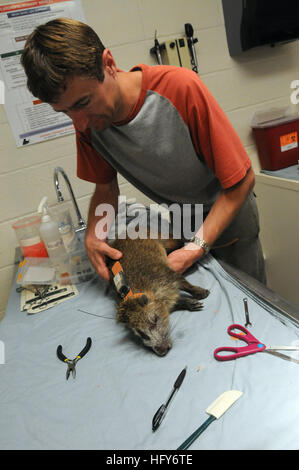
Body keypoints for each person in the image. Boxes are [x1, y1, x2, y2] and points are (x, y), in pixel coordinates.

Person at [21, 18, 266, 284]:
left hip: (231, 222)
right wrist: (96, 234)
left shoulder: (180, 88)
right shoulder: (88, 123)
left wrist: (195, 248)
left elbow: (241, 182)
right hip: (184, 224)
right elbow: (106, 188)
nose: (78, 122)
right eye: (65, 112)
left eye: (83, 102)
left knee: (251, 310)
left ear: (109, 64)